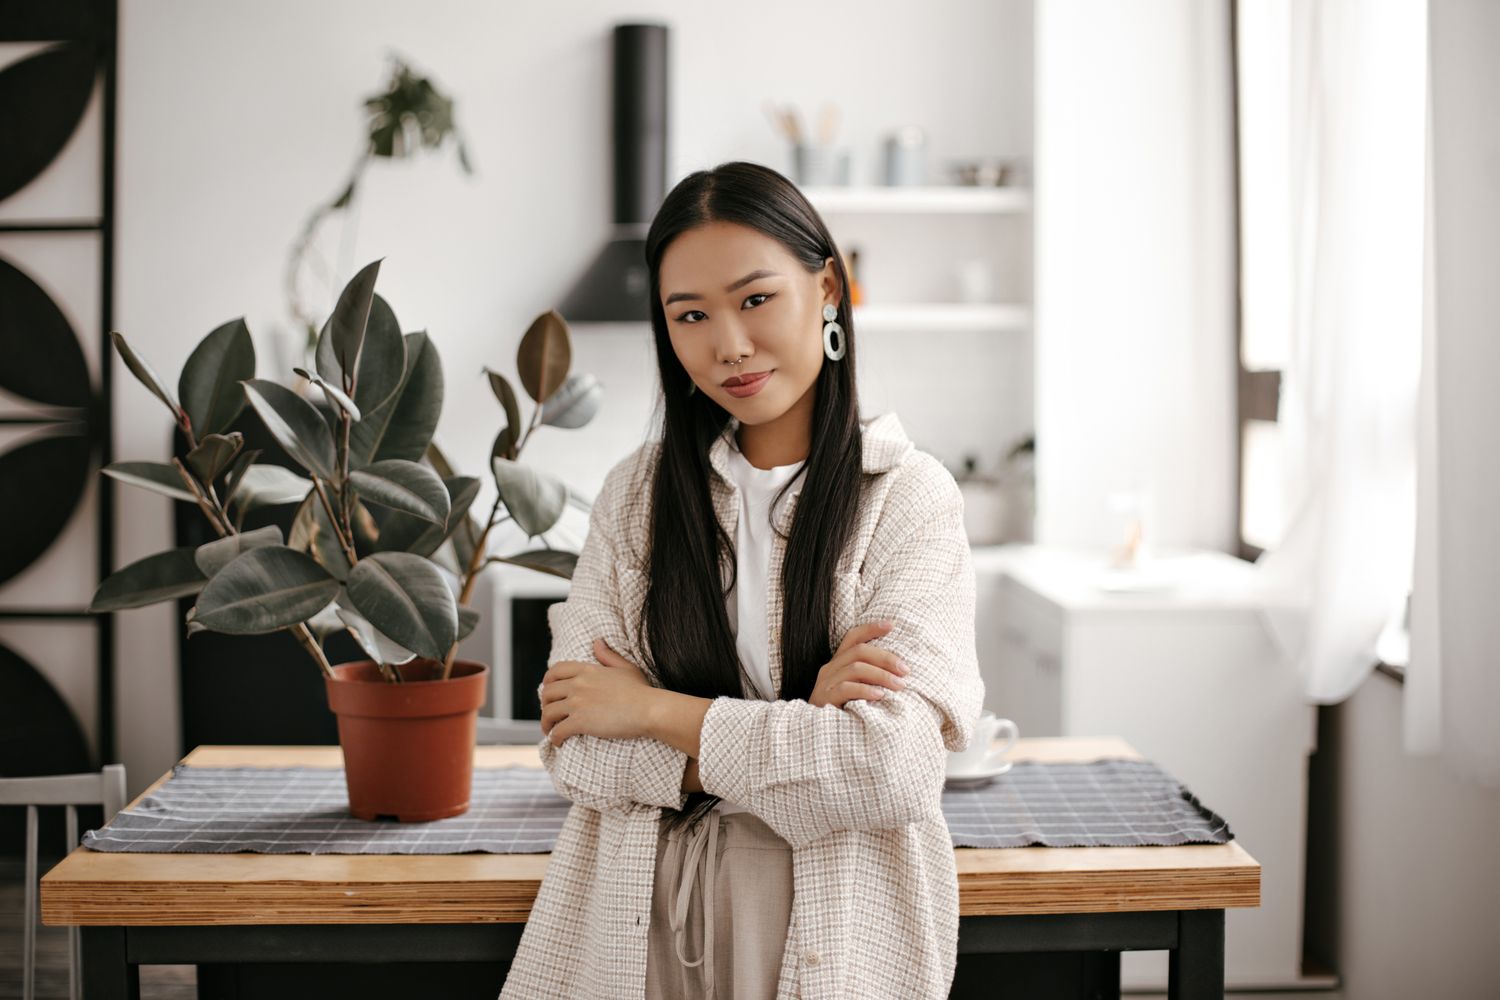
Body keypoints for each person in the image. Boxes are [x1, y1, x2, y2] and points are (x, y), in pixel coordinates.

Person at [497, 161, 985, 1000]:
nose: (727, 344)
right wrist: (801, 731)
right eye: (690, 315)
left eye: (756, 299)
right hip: (633, 916)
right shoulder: (635, 495)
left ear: (827, 288)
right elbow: (577, 750)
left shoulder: (908, 497)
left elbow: (892, 771)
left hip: (836, 920)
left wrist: (654, 711)